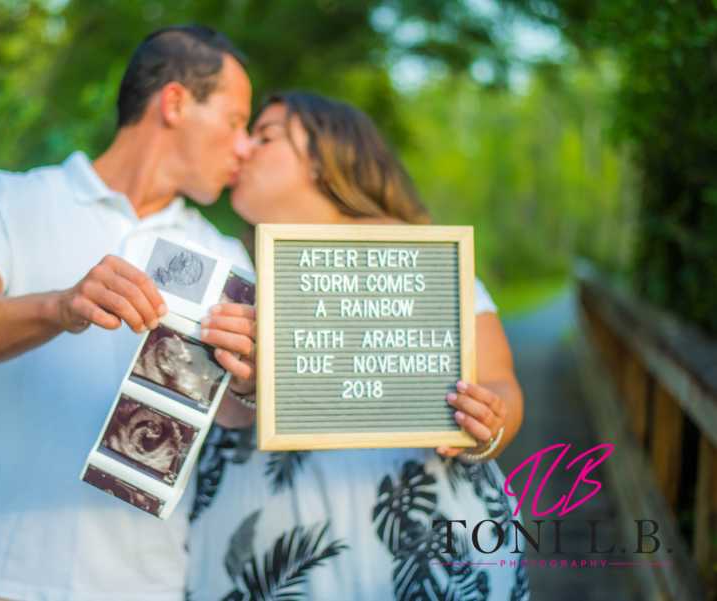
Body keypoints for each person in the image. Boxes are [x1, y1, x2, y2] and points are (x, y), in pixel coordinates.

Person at [0, 25, 258, 601]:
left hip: (149, 587)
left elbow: (232, 415)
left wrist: (252, 379)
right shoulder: (13, 199)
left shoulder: (227, 257)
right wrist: (60, 306)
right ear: (174, 103)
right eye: (235, 121)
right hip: (1, 579)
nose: (245, 146)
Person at [188, 92, 529, 600]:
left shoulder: (426, 263)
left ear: (329, 157)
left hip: (421, 549)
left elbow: (503, 388)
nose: (243, 147)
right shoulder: (228, 274)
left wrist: (486, 426)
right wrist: (251, 384)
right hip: (275, 565)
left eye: (267, 134)